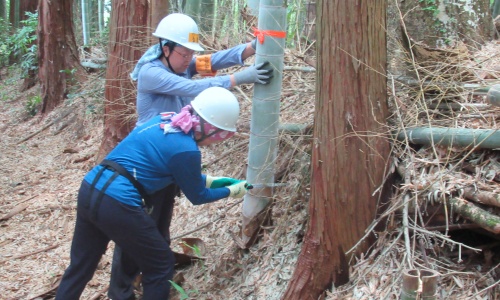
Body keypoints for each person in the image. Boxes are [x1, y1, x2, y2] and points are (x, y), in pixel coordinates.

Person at [109, 13, 273, 300]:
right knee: (138, 228)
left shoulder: (183, 64)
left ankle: (153, 282)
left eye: (190, 54)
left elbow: (213, 61)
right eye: (183, 53)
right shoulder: (152, 72)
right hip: (146, 162)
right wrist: (238, 79)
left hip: (168, 162)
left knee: (158, 225)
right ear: (166, 48)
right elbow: (192, 89)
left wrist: (248, 50)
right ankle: (122, 290)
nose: (189, 60)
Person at [55, 87, 249, 300]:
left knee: (81, 265)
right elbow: (198, 196)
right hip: (117, 203)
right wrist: (231, 191)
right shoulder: (187, 149)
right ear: (208, 128)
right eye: (220, 136)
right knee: (160, 264)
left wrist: (213, 181)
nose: (217, 142)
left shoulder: (165, 121)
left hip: (91, 187)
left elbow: (168, 167)